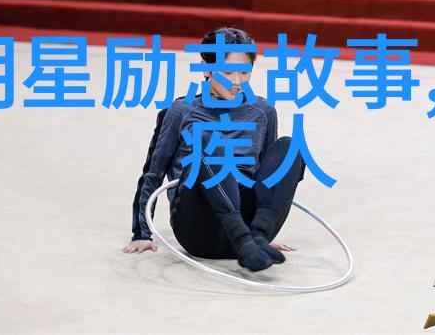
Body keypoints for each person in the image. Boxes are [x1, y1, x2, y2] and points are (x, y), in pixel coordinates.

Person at [122, 27, 305, 272]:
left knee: (289, 147)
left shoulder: (263, 111)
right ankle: (244, 241)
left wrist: (264, 225)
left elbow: (267, 172)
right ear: (206, 68)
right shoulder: (181, 111)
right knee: (208, 141)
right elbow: (152, 174)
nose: (237, 81)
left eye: (244, 72)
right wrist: (141, 233)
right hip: (199, 229)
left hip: (249, 225)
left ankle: (258, 238)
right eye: (228, 72)